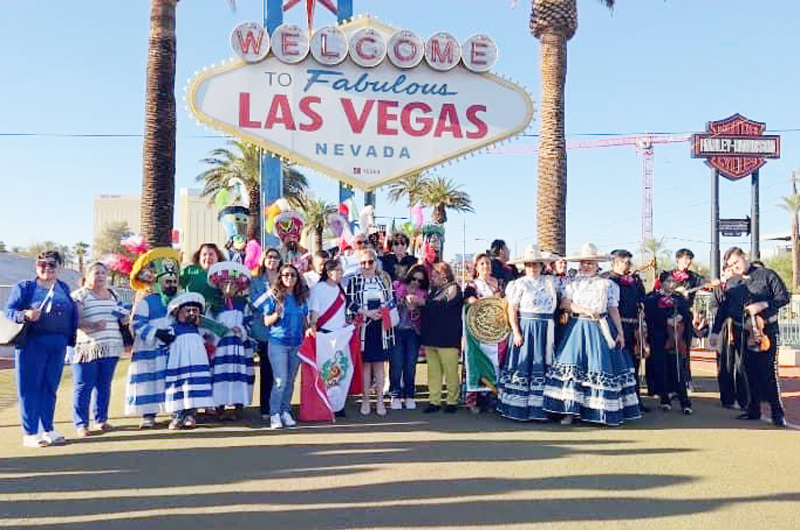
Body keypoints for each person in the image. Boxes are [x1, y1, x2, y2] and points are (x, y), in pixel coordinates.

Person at [544, 243, 641, 426]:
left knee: (600, 367)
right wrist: (583, 309)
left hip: (601, 330)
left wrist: (620, 333)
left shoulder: (608, 285)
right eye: (583, 263)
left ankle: (599, 411)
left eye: (590, 263)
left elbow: (613, 310)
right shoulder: (573, 283)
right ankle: (569, 412)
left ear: (598, 265)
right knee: (573, 368)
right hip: (577, 329)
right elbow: (565, 303)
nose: (586, 266)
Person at [5, 250, 79, 447]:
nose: (46, 268)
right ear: (36, 267)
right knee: (29, 388)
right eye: (42, 264)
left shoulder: (63, 287)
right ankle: (30, 433)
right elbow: (9, 310)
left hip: (58, 344)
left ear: (60, 267)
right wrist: (25, 314)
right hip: (32, 343)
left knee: (50, 387)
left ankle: (48, 428)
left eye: (52, 264)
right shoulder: (25, 287)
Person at [709, 247, 790, 427]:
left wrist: (763, 304)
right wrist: (714, 332)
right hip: (742, 333)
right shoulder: (732, 283)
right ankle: (753, 409)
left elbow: (784, 297)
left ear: (744, 258)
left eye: (736, 263)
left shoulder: (767, 274)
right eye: (731, 265)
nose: (735, 268)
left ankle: (778, 413)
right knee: (748, 372)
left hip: (765, 332)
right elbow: (723, 309)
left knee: (768, 373)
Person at [496, 245, 558, 421]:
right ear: (524, 266)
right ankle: (518, 408)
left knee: (544, 365)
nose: (533, 267)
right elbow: (512, 310)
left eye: (536, 264)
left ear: (541, 265)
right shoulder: (518, 284)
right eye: (529, 264)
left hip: (546, 329)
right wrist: (516, 332)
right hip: (527, 328)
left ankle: (543, 409)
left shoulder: (550, 282)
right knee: (524, 366)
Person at [70, 262, 129, 437]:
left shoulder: (114, 295)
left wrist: (126, 317)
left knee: (104, 386)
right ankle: (81, 424)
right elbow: (74, 322)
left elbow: (122, 320)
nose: (101, 276)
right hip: (86, 348)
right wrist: (92, 325)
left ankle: (101, 420)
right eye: (96, 273)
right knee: (83, 386)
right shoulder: (79, 296)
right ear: (87, 276)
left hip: (111, 347)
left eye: (103, 273)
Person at [125, 247, 181, 428]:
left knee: (172, 378)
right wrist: (157, 333)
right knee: (149, 379)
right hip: (149, 348)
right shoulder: (147, 300)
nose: (169, 283)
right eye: (165, 280)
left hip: (171, 346)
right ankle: (148, 414)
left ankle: (176, 411)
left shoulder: (178, 299)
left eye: (172, 280)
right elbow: (137, 324)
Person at [301, 259, 362, 420]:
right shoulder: (318, 289)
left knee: (341, 371)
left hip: (341, 336)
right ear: (329, 272)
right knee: (326, 371)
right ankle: (324, 403)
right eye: (338, 270)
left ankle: (338, 405)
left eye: (342, 270)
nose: (341, 273)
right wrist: (313, 325)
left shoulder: (341, 289)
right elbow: (314, 310)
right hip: (324, 336)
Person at [255, 263, 309, 429]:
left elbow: (305, 322)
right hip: (277, 343)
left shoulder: (302, 297)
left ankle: (285, 411)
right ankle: (274, 414)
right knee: (280, 380)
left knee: (291, 380)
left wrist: (309, 332)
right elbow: (266, 322)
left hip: (296, 344)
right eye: (286, 275)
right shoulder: (274, 296)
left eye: (293, 275)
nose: (289, 278)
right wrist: (276, 313)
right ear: (280, 277)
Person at [346, 248, 396, 416]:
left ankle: (380, 401)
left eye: (370, 262)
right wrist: (365, 312)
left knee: (380, 367)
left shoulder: (384, 279)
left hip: (381, 328)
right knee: (366, 366)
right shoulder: (354, 281)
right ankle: (366, 400)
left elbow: (391, 300)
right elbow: (349, 302)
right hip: (363, 329)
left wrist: (382, 312)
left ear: (376, 263)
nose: (366, 265)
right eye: (363, 262)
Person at [601, 250, 648, 411]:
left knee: (633, 365)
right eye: (623, 261)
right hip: (615, 326)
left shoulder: (635, 280)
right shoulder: (607, 279)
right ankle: (616, 401)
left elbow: (643, 299)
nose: (627, 264)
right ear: (614, 262)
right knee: (617, 364)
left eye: (629, 262)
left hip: (633, 326)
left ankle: (635, 401)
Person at [206, 261, 254, 420]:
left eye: (233, 285)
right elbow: (208, 324)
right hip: (221, 346)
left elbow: (250, 322)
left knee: (238, 373)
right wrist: (221, 330)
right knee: (220, 373)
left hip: (238, 346)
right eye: (225, 284)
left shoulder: (243, 304)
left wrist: (240, 329)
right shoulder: (214, 305)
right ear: (219, 286)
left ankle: (238, 406)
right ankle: (219, 406)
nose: (229, 287)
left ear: (238, 287)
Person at [162, 293, 215, 429]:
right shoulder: (172, 328)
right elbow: (163, 345)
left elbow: (215, 334)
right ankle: (178, 415)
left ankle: (191, 414)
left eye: (195, 310)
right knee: (179, 386)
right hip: (179, 364)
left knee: (193, 386)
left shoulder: (200, 329)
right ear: (178, 311)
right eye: (188, 310)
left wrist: (205, 328)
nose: (191, 313)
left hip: (196, 363)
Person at [463, 253, 506, 414]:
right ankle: (474, 401)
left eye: (487, 263)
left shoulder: (498, 284)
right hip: (477, 332)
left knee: (495, 364)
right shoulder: (472, 285)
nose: (485, 266)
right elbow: (469, 300)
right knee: (476, 363)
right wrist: (483, 303)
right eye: (481, 264)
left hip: (496, 332)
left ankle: (491, 399)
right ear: (476, 267)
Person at [658, 248, 707, 388]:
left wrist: (713, 283)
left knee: (684, 349)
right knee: (666, 348)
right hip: (666, 314)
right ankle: (668, 382)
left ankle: (686, 379)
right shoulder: (666, 275)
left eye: (690, 259)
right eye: (685, 258)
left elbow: (707, 283)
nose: (688, 262)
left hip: (685, 315)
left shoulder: (694, 277)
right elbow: (659, 292)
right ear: (677, 260)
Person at [420, 262, 464, 414]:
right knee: (433, 372)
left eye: (435, 275)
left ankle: (452, 401)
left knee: (451, 371)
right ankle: (434, 401)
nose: (432, 278)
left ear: (444, 274)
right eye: (431, 275)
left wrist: (423, 303)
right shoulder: (433, 292)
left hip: (447, 338)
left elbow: (445, 307)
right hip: (431, 339)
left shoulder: (454, 289)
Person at [389, 264, 428, 410]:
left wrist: (416, 306)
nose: (416, 282)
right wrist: (402, 301)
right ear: (409, 276)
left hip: (413, 332)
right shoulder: (397, 285)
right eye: (414, 278)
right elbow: (389, 306)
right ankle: (395, 395)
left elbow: (424, 315)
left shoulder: (423, 293)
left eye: (420, 281)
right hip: (397, 330)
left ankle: (410, 395)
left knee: (410, 365)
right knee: (396, 364)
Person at [250, 248, 282, 420]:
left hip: (283, 330)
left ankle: (281, 405)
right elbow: (255, 303)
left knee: (282, 371)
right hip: (264, 331)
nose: (272, 260)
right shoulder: (255, 281)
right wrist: (271, 293)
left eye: (276, 257)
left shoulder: (285, 277)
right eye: (269, 257)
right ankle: (266, 407)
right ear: (263, 260)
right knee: (267, 370)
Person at [711, 265, 749, 410]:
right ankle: (727, 399)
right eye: (726, 271)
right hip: (723, 329)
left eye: (730, 270)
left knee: (741, 365)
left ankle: (743, 399)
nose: (728, 273)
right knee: (725, 364)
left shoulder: (742, 285)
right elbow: (715, 307)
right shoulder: (719, 289)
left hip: (739, 327)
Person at [180, 243, 226, 315]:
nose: (207, 257)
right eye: (204, 254)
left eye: (211, 254)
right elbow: (178, 286)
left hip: (215, 313)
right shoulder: (190, 270)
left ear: (218, 257)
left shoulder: (224, 272)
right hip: (192, 311)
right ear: (199, 257)